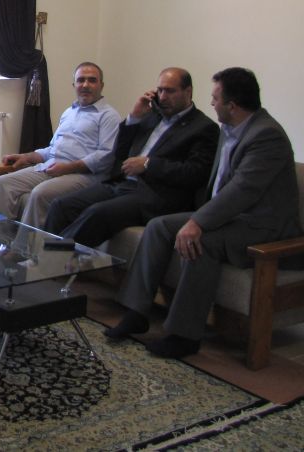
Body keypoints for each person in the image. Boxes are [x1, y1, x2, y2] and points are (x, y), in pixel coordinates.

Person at [105, 67, 302, 358]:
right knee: (159, 226)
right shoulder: (230, 129)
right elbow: (217, 185)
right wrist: (195, 215)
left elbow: (243, 191)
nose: (211, 103)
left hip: (262, 226)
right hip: (230, 217)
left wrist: (197, 221)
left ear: (232, 105)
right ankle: (136, 312)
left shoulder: (266, 136)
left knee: (202, 242)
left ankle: (184, 335)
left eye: (215, 98)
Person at [44, 67, 219, 246]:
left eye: (170, 91)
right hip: (122, 184)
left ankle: (50, 256)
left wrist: (149, 164)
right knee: (61, 205)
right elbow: (120, 152)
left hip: (156, 195)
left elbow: (196, 172)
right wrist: (134, 118)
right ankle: (47, 257)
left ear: (188, 92)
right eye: (160, 90)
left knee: (97, 213)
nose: (163, 97)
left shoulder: (203, 127)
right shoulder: (152, 117)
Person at [0, 62, 120, 228]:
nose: (85, 85)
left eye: (92, 80)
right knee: (3, 183)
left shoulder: (109, 116)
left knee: (40, 194)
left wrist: (68, 168)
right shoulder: (69, 112)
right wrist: (26, 157)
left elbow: (106, 156)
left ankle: (28, 243)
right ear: (74, 85)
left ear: (101, 85)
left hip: (84, 175)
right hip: (52, 167)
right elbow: (52, 149)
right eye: (81, 80)